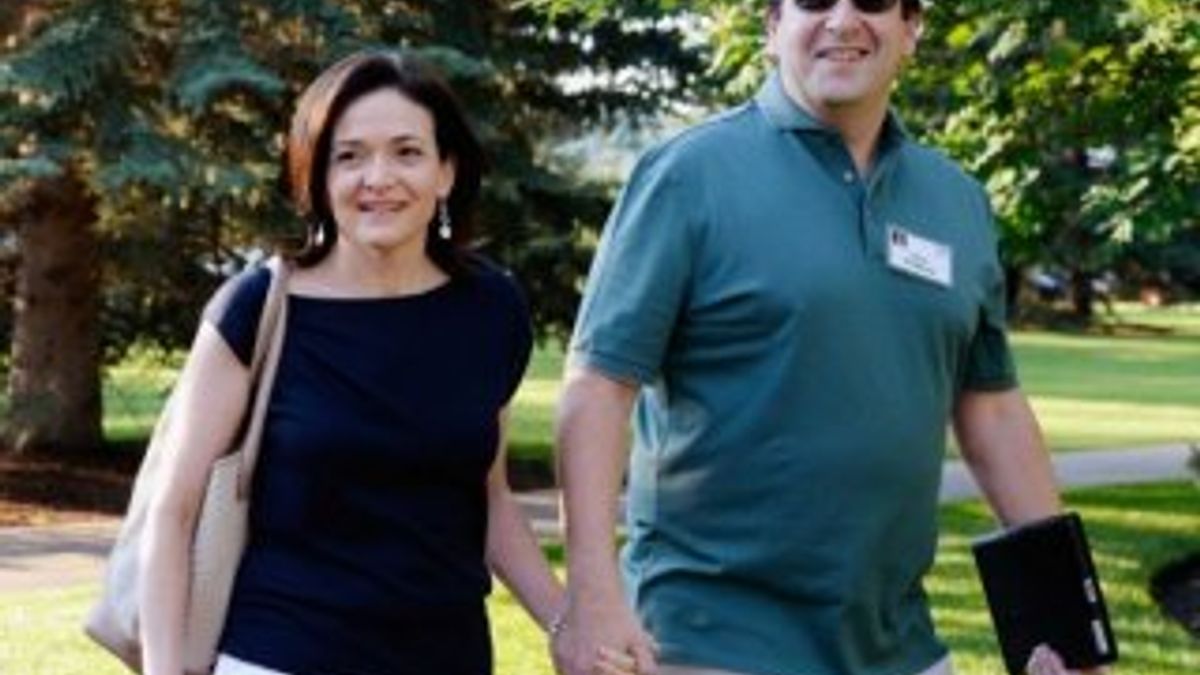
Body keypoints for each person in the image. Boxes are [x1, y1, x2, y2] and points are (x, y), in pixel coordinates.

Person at [552, 2, 1103, 675]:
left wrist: (1065, 623)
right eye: (814, 1)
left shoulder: (957, 199)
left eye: (871, 2)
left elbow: (992, 409)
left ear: (911, 30)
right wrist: (592, 592)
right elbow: (599, 388)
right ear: (771, 28)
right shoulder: (687, 175)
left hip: (901, 647)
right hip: (707, 643)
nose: (842, 20)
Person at [139, 50, 613, 675]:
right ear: (318, 177)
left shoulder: (490, 309)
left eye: (407, 152)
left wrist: (566, 625)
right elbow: (172, 514)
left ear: (446, 172)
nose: (378, 177)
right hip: (280, 657)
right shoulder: (257, 308)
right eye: (350, 156)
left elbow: (489, 500)